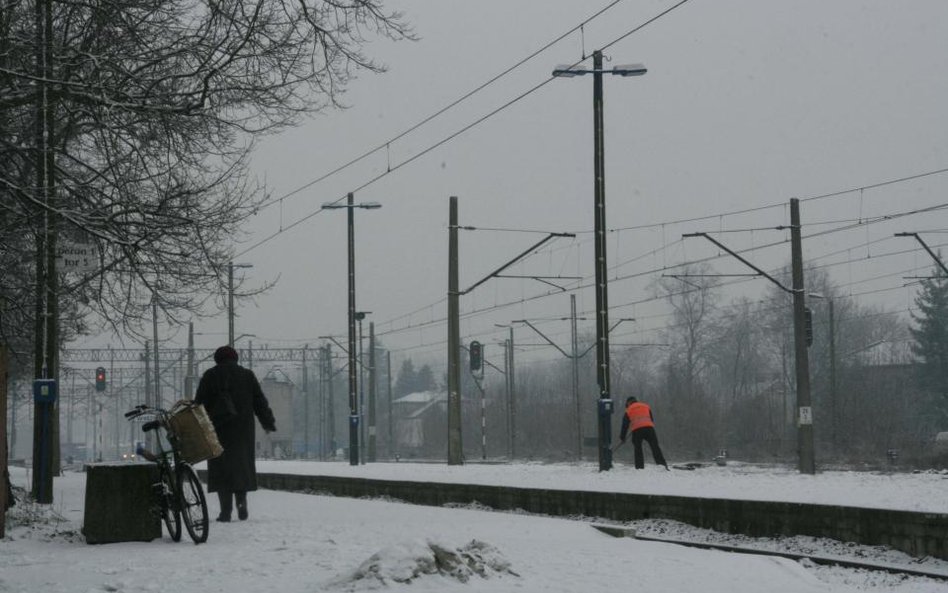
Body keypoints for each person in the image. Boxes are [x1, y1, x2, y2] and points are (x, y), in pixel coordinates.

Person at [195, 345, 276, 522]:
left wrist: (198, 429)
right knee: (241, 467)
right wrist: (267, 422)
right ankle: (241, 503)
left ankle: (225, 511)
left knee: (221, 468)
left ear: (217, 359)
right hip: (242, 430)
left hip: (217, 429)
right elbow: (260, 402)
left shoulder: (210, 376)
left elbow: (199, 405)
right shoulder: (247, 376)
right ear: (235, 358)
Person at [618, 396, 669, 470]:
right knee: (655, 447)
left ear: (628, 403)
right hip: (649, 428)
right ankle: (662, 465)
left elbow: (625, 425)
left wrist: (622, 437)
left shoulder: (628, 410)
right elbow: (651, 418)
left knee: (638, 449)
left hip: (637, 431)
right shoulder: (645, 406)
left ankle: (639, 467)